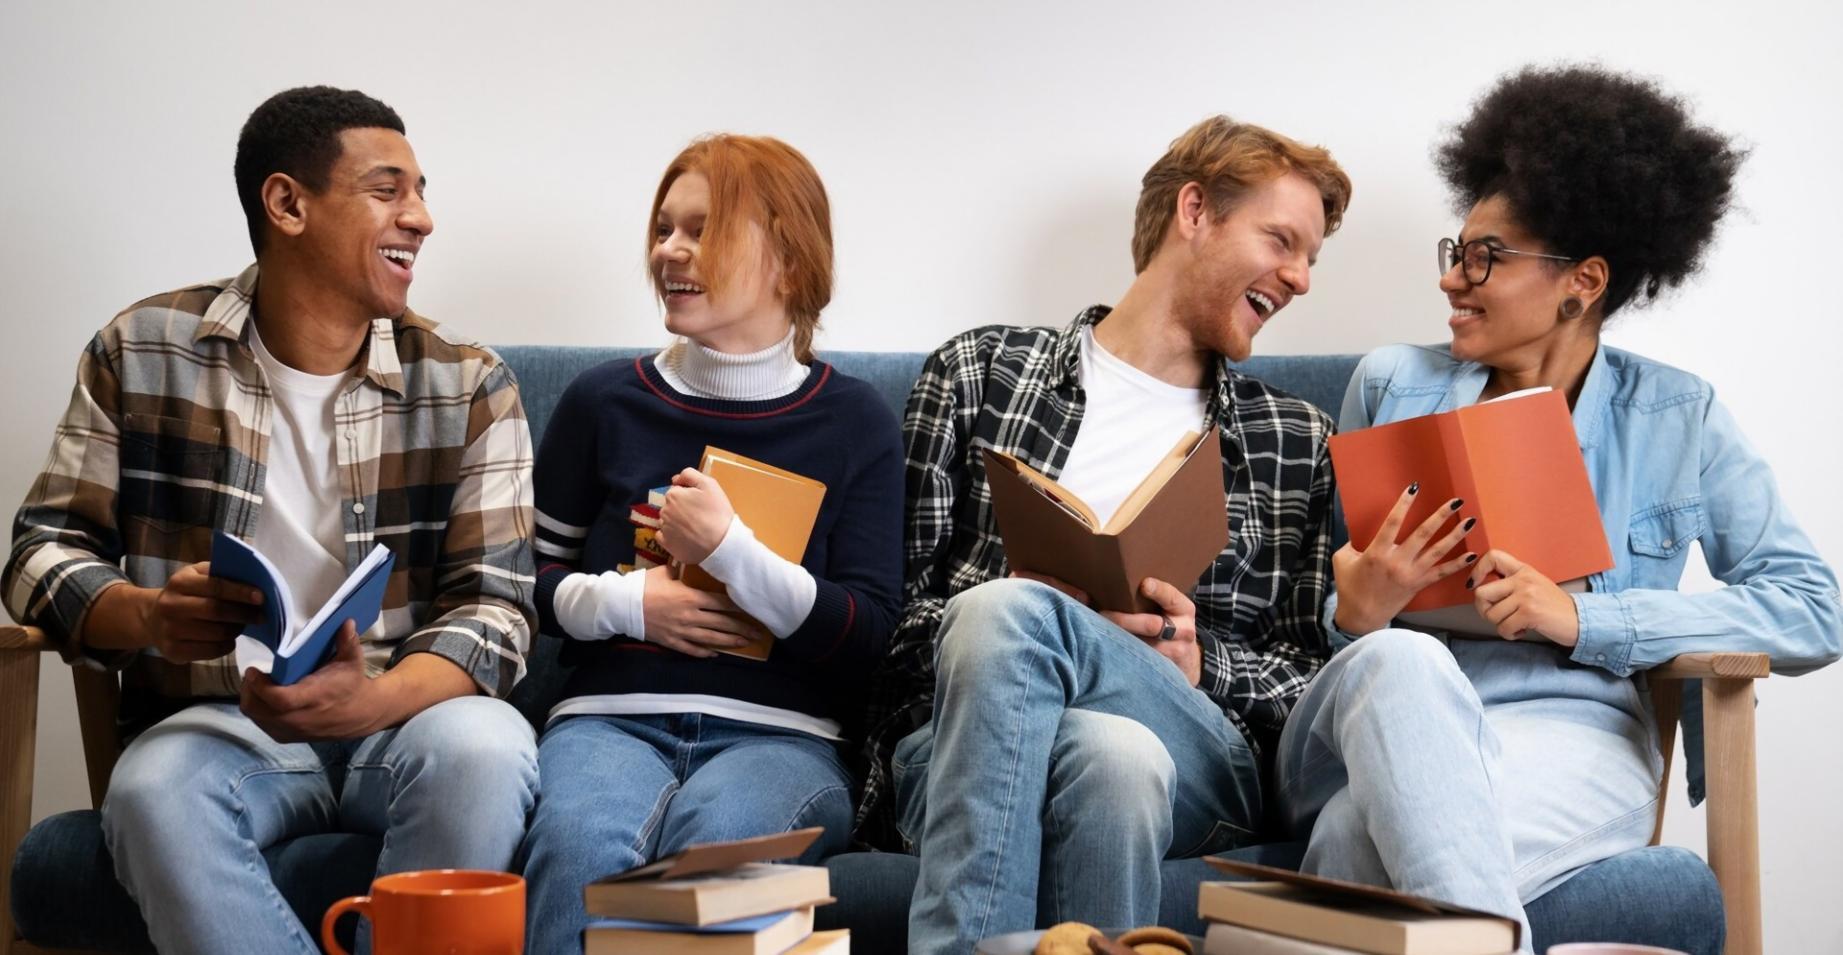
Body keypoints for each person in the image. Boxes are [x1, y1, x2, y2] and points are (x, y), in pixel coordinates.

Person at [1277, 65, 1842, 951]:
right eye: (1455, 252)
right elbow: (1323, 629)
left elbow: (1813, 609)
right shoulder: (1389, 382)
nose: (1454, 280)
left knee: (1354, 840)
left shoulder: (1677, 415)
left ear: (1582, 280)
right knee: (1401, 669)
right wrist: (1361, 607)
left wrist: (1584, 616)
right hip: (1376, 714)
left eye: (1486, 258)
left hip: (1571, 737)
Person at [1, 86, 538, 954]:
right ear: (287, 203)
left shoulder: (470, 382)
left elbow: (500, 608)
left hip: (409, 717)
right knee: (150, 789)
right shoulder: (141, 350)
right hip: (217, 721)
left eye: (422, 190)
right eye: (388, 189)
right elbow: (39, 553)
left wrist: (371, 699)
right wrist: (148, 614)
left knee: (486, 750)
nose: (423, 218)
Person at [857, 116, 1353, 954]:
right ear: (1193, 211)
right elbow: (886, 628)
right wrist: (1013, 614)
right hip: (957, 743)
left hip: (1192, 745)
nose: (1299, 277)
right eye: (1282, 240)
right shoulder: (977, 373)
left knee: (1019, 622)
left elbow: (1316, 687)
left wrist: (1203, 663)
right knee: (1105, 751)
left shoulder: (1295, 438)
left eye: (1310, 257)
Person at [517, 133, 903, 954]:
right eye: (664, 228)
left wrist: (731, 549)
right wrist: (629, 603)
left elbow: (868, 636)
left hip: (783, 741)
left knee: (718, 857)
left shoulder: (856, 420)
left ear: (789, 263)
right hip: (607, 722)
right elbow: (522, 583)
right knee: (578, 845)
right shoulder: (603, 401)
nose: (670, 251)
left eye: (703, 229)